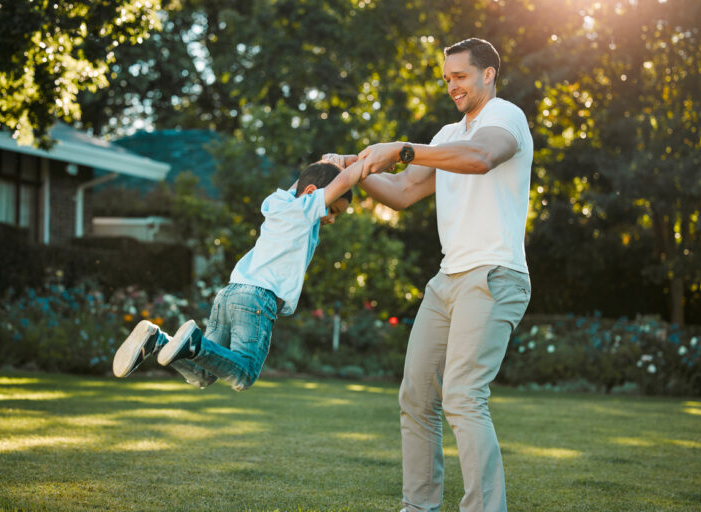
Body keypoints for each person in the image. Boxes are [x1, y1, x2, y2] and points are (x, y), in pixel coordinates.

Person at [332, 38, 532, 512]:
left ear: (488, 74)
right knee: (417, 397)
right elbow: (402, 193)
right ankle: (418, 507)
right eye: (446, 79)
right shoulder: (444, 137)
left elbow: (480, 157)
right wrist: (354, 169)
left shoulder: (506, 117)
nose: (452, 86)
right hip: (446, 282)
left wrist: (401, 148)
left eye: (460, 76)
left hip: (493, 275)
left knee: (463, 396)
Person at [112, 156, 364, 391]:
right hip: (258, 300)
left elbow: (307, 180)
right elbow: (339, 182)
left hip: (231, 293)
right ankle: (193, 344)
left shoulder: (281, 204)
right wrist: (368, 162)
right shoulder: (303, 212)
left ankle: (158, 342)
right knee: (244, 374)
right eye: (333, 210)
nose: (331, 219)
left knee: (203, 375)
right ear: (312, 195)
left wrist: (328, 161)